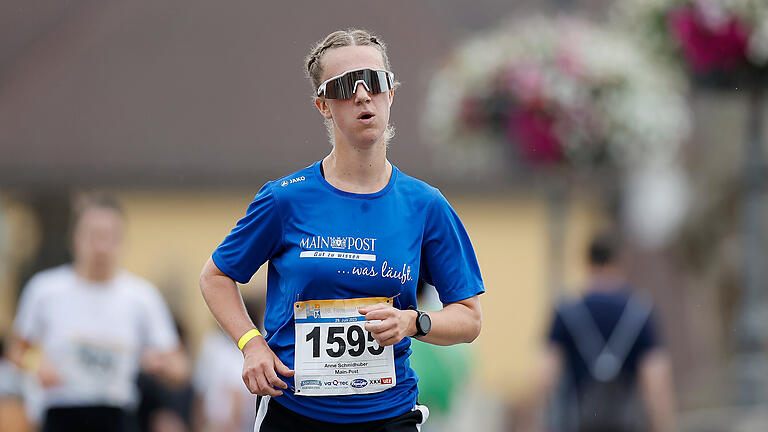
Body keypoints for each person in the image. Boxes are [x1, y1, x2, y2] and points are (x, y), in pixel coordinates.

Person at [199, 28, 485, 432]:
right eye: (347, 85)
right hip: (295, 415)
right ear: (323, 106)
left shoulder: (425, 205)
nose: (363, 95)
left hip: (389, 417)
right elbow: (216, 276)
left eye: (376, 82)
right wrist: (251, 345)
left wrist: (413, 322)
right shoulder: (284, 199)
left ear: (391, 94)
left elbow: (469, 319)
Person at [5, 194, 189, 432]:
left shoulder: (141, 297)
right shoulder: (45, 290)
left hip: (116, 415)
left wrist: (160, 365)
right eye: (93, 236)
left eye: (110, 237)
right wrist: (37, 364)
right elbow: (16, 352)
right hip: (60, 411)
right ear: (74, 238)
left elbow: (180, 368)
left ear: (123, 241)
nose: (101, 247)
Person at [515, 233, 677, 432]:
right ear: (620, 262)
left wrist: (528, 424)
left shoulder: (566, 312)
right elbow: (656, 385)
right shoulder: (640, 313)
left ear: (587, 262)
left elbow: (543, 378)